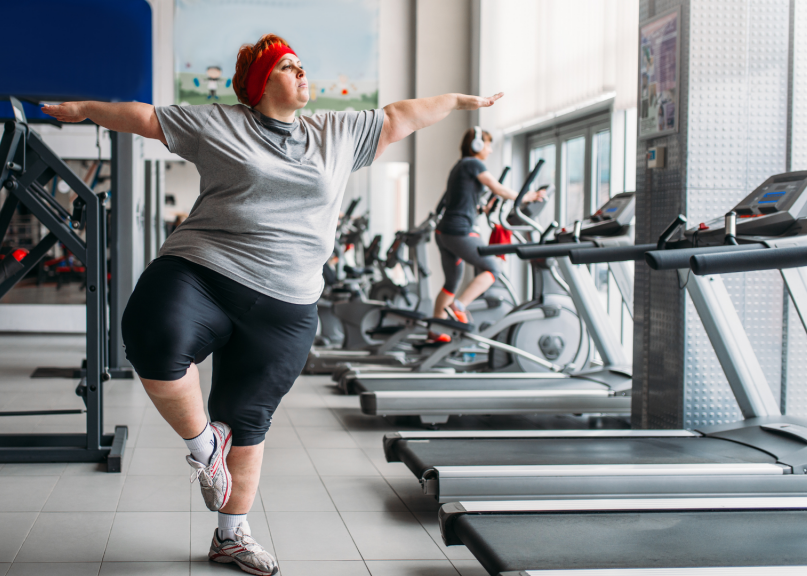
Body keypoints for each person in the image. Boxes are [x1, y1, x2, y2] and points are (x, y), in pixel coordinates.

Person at [43, 33, 505, 576]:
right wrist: (79, 110)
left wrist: (459, 102)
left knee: (247, 420)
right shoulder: (218, 124)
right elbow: (143, 117)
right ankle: (203, 447)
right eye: (288, 67)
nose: (302, 73)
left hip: (287, 301)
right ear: (262, 82)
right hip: (204, 270)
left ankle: (231, 538)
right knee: (152, 333)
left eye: (302, 65)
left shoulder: (337, 131)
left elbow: (402, 115)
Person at [430, 127, 545, 341]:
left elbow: (463, 200)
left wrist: (482, 208)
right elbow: (498, 188)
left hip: (445, 231)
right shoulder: (473, 163)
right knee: (494, 268)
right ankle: (459, 306)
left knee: (451, 283)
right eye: (488, 144)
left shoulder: (459, 166)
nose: (490, 150)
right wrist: (529, 196)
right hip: (459, 232)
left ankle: (435, 332)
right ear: (476, 145)